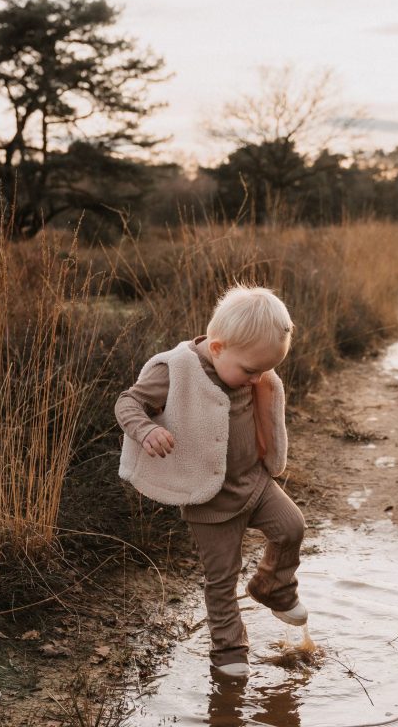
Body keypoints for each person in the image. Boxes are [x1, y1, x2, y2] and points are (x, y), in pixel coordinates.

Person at [115, 284, 307, 679]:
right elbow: (127, 402)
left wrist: (256, 378)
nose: (257, 380)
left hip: (252, 481)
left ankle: (273, 586)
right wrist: (146, 430)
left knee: (292, 527)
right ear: (217, 349)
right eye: (251, 371)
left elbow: (257, 396)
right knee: (222, 577)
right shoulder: (177, 370)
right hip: (209, 497)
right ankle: (229, 649)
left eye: (265, 371)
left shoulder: (242, 366)